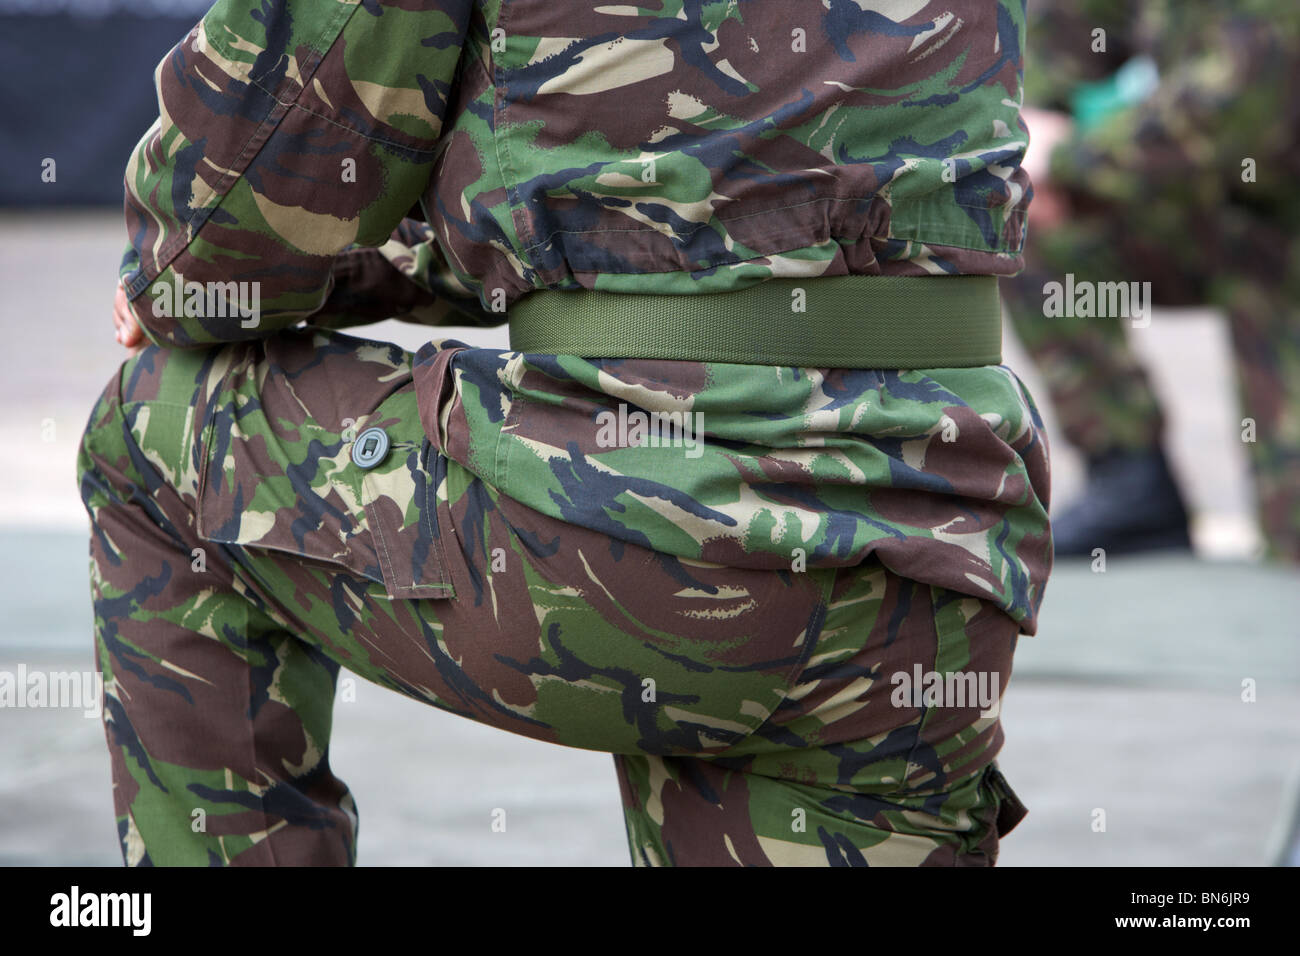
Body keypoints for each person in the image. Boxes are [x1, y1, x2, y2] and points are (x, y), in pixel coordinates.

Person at [78, 0, 1050, 866]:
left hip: (637, 538)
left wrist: (176, 278)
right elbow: (739, 209)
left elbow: (256, 168)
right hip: (940, 547)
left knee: (152, 429)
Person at [1005, 0, 1300, 560]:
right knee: (1036, 218)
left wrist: (1063, 157)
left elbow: (1235, 109)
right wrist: (1039, 112)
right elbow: (1076, 22)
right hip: (1228, 209)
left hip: (1278, 221)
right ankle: (1132, 480)